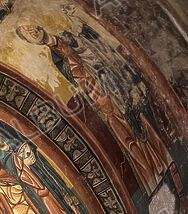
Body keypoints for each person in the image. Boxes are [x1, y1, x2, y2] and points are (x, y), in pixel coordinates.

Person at [16, 25, 176, 198]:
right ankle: (153, 179)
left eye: (30, 28)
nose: (31, 32)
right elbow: (74, 77)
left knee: (139, 124)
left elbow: (92, 52)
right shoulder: (55, 58)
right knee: (127, 140)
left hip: (114, 89)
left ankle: (166, 166)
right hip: (99, 100)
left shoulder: (68, 37)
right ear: (29, 41)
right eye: (27, 34)